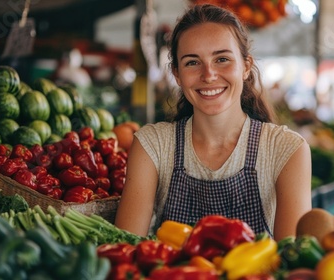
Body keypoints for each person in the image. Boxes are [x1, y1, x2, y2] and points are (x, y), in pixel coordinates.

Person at [115, 4, 312, 241]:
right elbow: (125, 250)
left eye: (221, 59)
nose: (208, 75)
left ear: (246, 67)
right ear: (177, 74)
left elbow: (291, 262)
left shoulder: (286, 149)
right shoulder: (152, 146)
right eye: (192, 62)